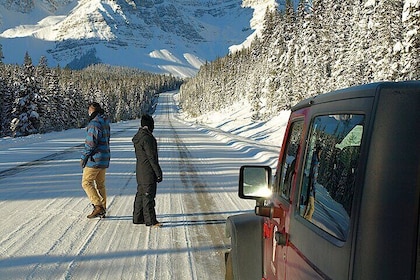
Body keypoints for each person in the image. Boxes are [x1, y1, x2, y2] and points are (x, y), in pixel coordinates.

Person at [80, 102, 111, 219]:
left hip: (95, 159)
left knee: (86, 183)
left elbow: (90, 143)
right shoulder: (105, 121)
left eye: (89, 109)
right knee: (100, 184)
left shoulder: (94, 123)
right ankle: (103, 208)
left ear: (92, 110)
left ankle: (98, 206)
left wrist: (84, 157)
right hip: (104, 157)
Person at [132, 114, 163, 227]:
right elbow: (152, 158)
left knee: (140, 194)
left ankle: (137, 217)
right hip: (147, 171)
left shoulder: (139, 137)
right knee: (148, 196)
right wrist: (158, 173)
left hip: (140, 170)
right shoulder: (147, 138)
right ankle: (151, 220)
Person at [303, 145, 321, 221]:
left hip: (311, 187)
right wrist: (312, 188)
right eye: (320, 152)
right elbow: (313, 175)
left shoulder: (315, 160)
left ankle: (305, 219)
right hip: (310, 187)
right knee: (311, 208)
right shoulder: (315, 161)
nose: (321, 154)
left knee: (309, 206)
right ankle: (306, 220)